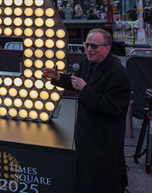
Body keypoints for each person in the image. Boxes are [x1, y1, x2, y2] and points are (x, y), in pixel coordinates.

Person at [42, 29, 131, 192]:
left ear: (107, 48)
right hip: (86, 132)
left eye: (94, 46)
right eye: (87, 45)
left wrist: (85, 88)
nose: (89, 49)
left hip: (104, 138)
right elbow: (76, 83)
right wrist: (58, 78)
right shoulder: (87, 63)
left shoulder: (118, 74)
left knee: (103, 180)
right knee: (86, 177)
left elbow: (112, 107)